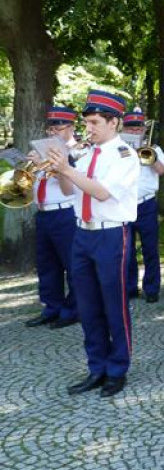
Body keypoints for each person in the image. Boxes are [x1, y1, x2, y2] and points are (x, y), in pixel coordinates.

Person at [50, 90, 139, 399]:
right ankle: (96, 367)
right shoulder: (86, 155)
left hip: (111, 234)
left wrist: (67, 168)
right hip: (83, 233)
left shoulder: (125, 155)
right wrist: (57, 168)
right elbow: (67, 189)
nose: (89, 128)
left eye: (95, 122)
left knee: (113, 303)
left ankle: (117, 369)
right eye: (87, 122)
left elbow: (101, 193)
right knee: (88, 305)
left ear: (114, 122)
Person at [25, 105, 79, 329]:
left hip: (66, 212)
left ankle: (73, 310)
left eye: (59, 127)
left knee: (72, 264)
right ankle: (52, 307)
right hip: (44, 213)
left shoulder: (78, 151)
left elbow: (69, 187)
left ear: (71, 128)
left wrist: (48, 166)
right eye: (50, 128)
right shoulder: (43, 152)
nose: (53, 132)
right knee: (47, 264)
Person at [122, 109, 164, 302]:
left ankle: (152, 288)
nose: (134, 132)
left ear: (143, 130)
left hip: (147, 204)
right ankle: (130, 287)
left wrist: (150, 157)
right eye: (130, 128)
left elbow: (162, 170)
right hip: (124, 204)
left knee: (150, 248)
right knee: (127, 249)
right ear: (123, 129)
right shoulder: (119, 150)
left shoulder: (154, 149)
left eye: (138, 128)